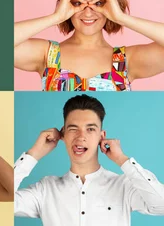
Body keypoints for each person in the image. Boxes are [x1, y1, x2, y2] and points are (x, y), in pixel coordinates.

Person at [15, 94, 164, 225]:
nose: (81, 136)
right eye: (73, 129)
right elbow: (8, 203)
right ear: (63, 134)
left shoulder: (123, 186)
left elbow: (160, 205)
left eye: (90, 129)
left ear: (101, 135)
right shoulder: (46, 190)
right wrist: (33, 154)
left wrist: (122, 159)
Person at [14, 0, 164, 91]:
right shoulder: (47, 54)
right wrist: (56, 17)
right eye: (77, 2)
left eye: (98, 3)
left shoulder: (126, 60)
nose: (87, 12)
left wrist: (120, 17)